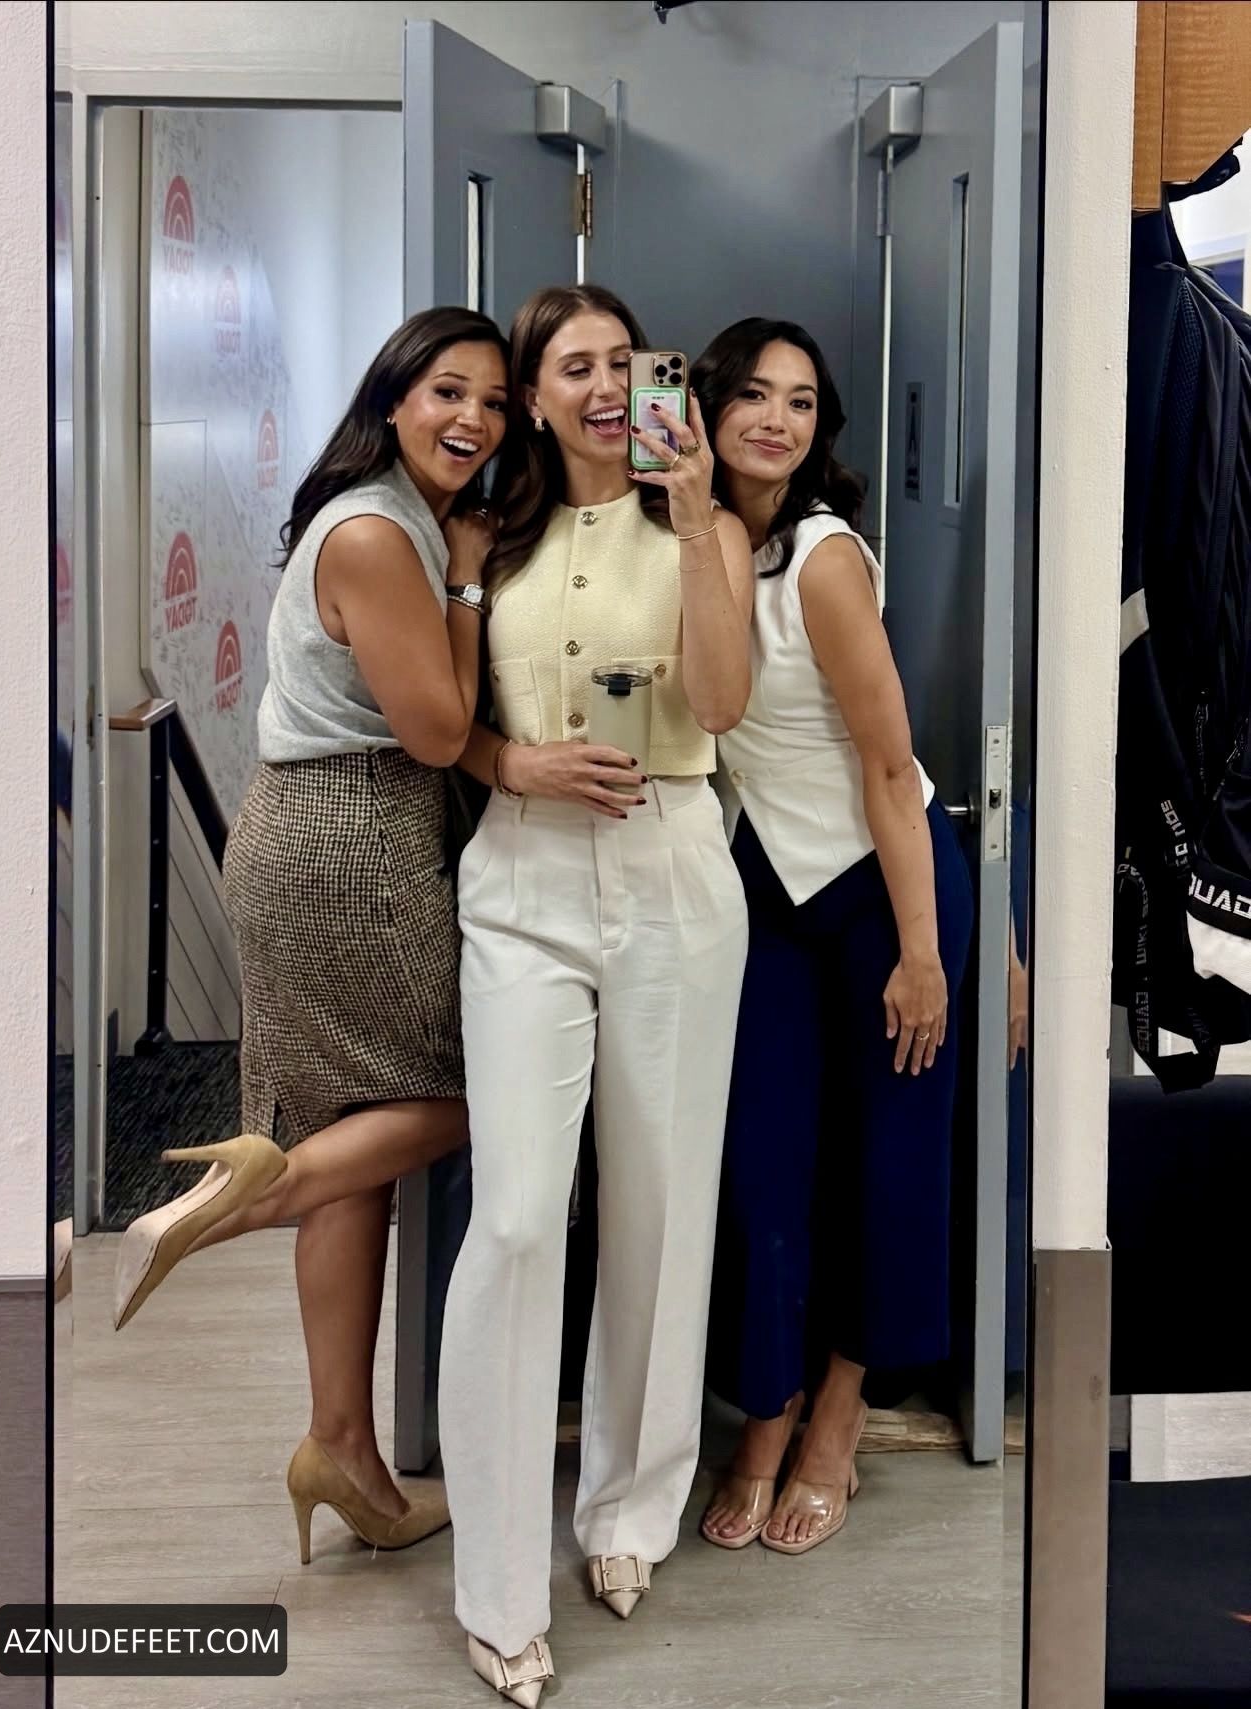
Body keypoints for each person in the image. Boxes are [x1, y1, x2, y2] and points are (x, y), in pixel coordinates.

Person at [111, 306, 510, 1566]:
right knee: (481, 1090)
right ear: (393, 399)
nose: (474, 419)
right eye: (448, 391)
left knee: (360, 1139)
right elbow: (438, 730)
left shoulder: (382, 514)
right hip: (353, 842)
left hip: (313, 832)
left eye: (494, 402)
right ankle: (243, 1193)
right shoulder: (383, 534)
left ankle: (342, 1446)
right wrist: (467, 583)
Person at [437, 285, 754, 1707]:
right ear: (533, 393)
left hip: (673, 863)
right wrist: (517, 764)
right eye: (577, 365)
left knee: (660, 1205)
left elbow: (722, 700)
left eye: (627, 360)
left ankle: (628, 1507)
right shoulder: (482, 537)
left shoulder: (709, 527)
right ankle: (497, 1589)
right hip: (523, 878)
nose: (610, 383)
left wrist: (691, 517)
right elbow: (446, 723)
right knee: (515, 1217)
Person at [693, 318, 974, 1556]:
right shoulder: (695, 541)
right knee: (763, 1159)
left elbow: (892, 764)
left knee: (889, 1156)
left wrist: (926, 952)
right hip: (765, 889)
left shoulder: (821, 558)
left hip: (882, 885)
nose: (777, 419)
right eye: (753, 394)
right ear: (706, 407)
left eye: (802, 402)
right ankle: (767, 1405)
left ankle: (838, 1419)